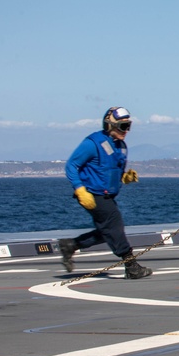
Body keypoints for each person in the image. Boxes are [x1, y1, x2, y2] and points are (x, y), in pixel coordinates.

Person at [58, 107, 152, 279]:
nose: (126, 131)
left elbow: (111, 170)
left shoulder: (121, 147)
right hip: (92, 194)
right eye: (123, 126)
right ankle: (131, 266)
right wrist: (79, 189)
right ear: (110, 125)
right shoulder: (92, 143)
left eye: (128, 126)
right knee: (114, 226)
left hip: (107, 194)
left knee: (108, 231)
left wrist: (125, 177)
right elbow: (71, 165)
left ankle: (71, 245)